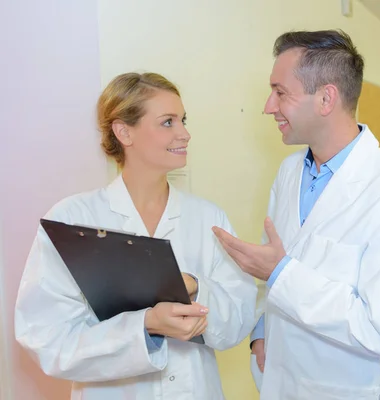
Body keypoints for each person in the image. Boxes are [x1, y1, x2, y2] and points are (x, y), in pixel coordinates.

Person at [14, 72, 257, 400]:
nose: (185, 133)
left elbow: (238, 322)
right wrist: (145, 326)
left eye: (183, 120)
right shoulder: (72, 219)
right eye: (168, 122)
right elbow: (47, 339)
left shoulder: (209, 218)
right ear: (124, 131)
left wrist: (195, 288)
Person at [212, 30, 380, 400]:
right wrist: (261, 331)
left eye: (281, 92)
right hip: (279, 379)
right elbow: (274, 266)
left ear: (326, 98)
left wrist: (281, 274)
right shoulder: (290, 172)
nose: (268, 106)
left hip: (345, 389)